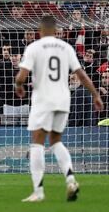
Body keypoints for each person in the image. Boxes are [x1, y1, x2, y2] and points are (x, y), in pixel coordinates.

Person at [15, 15, 104, 202]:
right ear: (56, 31)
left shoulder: (34, 47)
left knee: (37, 142)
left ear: (40, 30)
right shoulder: (66, 47)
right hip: (63, 100)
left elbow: (21, 76)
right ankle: (71, 180)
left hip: (43, 99)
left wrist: (19, 86)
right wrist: (95, 95)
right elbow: (81, 74)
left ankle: (38, 192)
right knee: (56, 141)